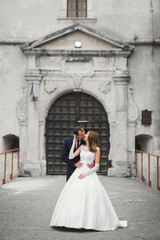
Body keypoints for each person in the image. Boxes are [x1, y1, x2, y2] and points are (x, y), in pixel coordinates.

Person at [50, 131, 127, 231]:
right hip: (78, 172)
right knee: (74, 194)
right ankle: (73, 220)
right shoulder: (81, 147)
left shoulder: (96, 150)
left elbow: (97, 166)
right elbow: (70, 157)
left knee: (91, 193)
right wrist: (73, 143)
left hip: (88, 173)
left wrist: (86, 174)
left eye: (86, 134)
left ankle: (90, 221)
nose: (84, 135)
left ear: (90, 137)